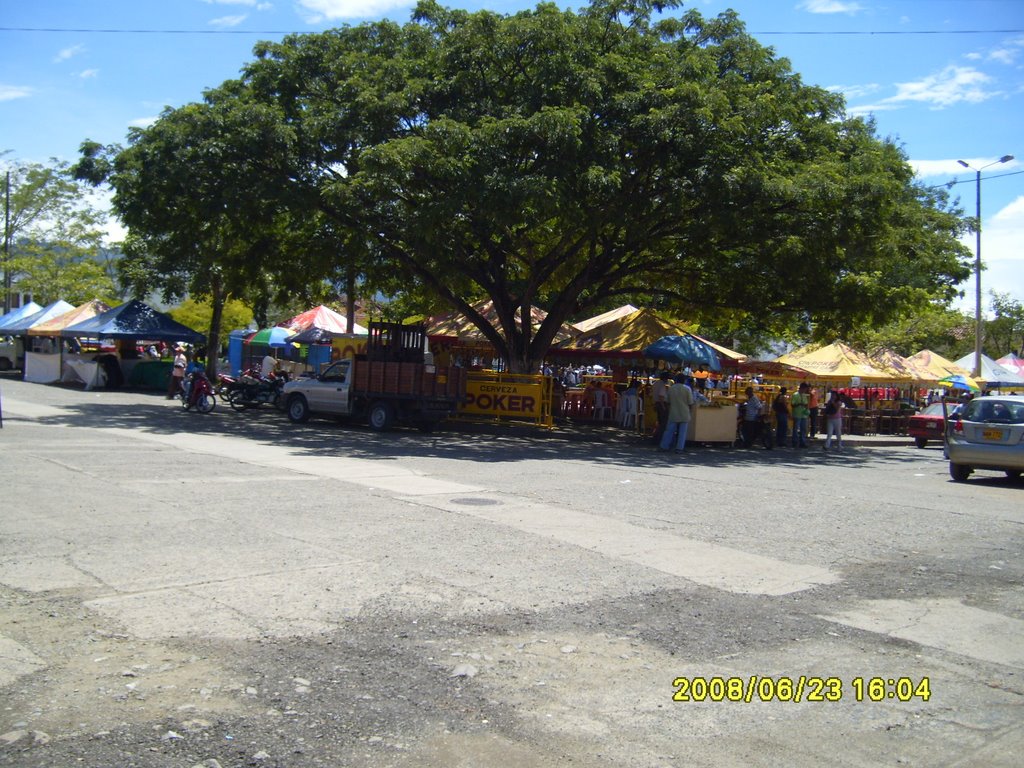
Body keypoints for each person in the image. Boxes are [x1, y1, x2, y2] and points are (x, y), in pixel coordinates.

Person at [659, 374, 695, 453]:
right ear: (684, 381)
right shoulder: (687, 389)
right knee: (682, 432)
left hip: (673, 412)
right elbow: (690, 403)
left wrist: (668, 409)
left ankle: (664, 446)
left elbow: (667, 401)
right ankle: (679, 448)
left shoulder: (671, 389)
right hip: (684, 412)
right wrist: (690, 411)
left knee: (669, 430)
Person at [651, 371, 671, 444]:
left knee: (659, 421)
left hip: (656, 403)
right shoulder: (662, 385)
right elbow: (661, 396)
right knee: (663, 423)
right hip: (661, 404)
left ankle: (656, 437)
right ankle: (660, 438)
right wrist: (663, 407)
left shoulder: (655, 383)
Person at [790, 382, 810, 448]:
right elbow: (792, 405)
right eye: (805, 389)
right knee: (796, 429)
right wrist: (799, 404)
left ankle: (802, 442)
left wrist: (806, 407)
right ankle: (795, 442)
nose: (805, 390)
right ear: (802, 388)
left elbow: (806, 403)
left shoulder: (804, 395)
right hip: (797, 414)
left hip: (803, 414)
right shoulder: (795, 395)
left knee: (803, 429)